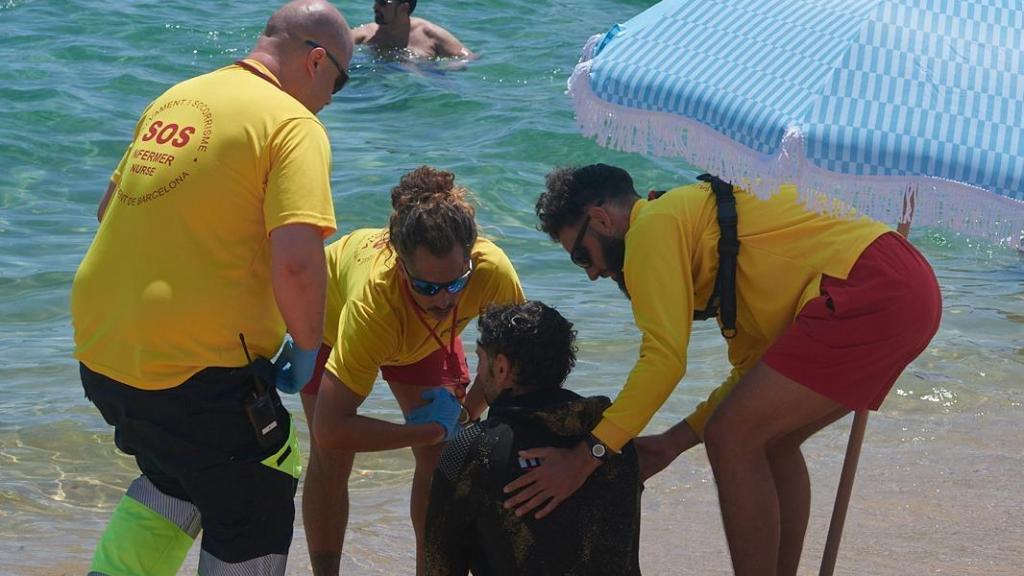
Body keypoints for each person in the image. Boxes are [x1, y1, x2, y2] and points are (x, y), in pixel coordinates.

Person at [505, 164, 942, 576]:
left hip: (870, 284)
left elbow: (663, 360)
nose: (593, 275)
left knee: (733, 436)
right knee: (772, 440)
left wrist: (590, 454)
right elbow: (747, 379)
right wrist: (671, 443)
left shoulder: (650, 227)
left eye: (582, 256)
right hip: (900, 282)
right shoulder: (713, 242)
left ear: (600, 219)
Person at [70, 2, 353, 574]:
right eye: (339, 84)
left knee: (176, 473)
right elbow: (298, 263)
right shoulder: (293, 123)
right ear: (317, 61)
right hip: (193, 373)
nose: (330, 99)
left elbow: (108, 212)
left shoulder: (177, 97)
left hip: (103, 354)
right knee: (259, 483)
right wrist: (306, 348)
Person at [302, 166, 524, 576]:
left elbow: (511, 371)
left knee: (443, 458)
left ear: (471, 256)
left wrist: (461, 416)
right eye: (427, 287)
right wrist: (427, 430)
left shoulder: (492, 272)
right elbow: (330, 428)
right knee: (332, 457)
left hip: (424, 339)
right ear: (401, 266)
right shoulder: (374, 306)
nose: (442, 300)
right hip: (329, 320)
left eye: (455, 284)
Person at [424, 301, 643, 576]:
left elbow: (440, 566)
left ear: (502, 368)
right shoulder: (609, 442)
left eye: (480, 358)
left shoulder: (471, 449)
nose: (478, 373)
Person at [352, 0, 473, 59]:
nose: (375, 7)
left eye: (383, 3)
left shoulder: (429, 34)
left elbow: (468, 59)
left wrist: (439, 70)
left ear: (403, 8)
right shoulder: (366, 34)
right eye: (376, 1)